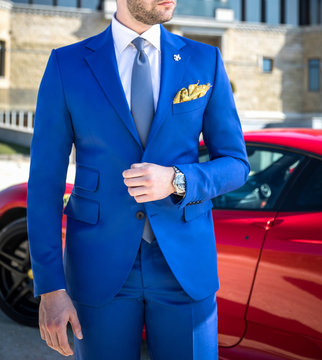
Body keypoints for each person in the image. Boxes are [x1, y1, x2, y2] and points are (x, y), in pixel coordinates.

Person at [26, 0, 250, 359]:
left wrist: (178, 180)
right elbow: (44, 186)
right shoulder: (66, 65)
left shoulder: (204, 60)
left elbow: (236, 164)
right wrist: (50, 287)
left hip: (185, 269)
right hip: (98, 270)